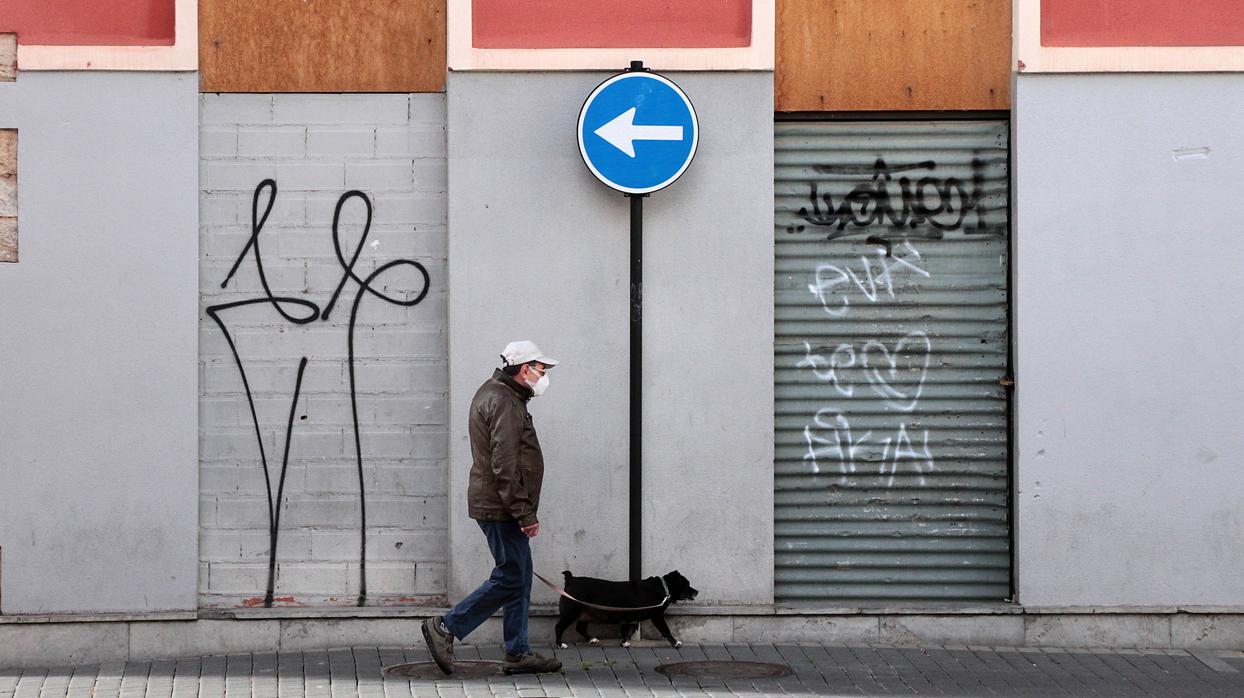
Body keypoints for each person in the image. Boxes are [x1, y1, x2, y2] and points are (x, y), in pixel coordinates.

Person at [422, 341, 563, 675]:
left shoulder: (502, 394)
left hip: (500, 504)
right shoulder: (504, 401)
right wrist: (523, 513)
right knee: (511, 577)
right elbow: (505, 463)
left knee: (519, 575)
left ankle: (518, 651)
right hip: (502, 507)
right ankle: (446, 627)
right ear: (524, 368)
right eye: (540, 369)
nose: (543, 376)